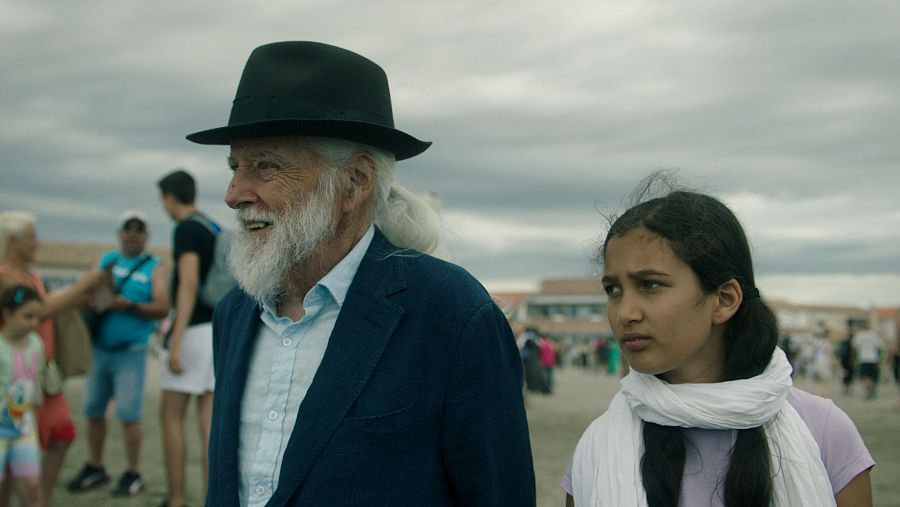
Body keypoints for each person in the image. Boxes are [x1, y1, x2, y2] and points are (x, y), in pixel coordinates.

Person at [186, 41, 535, 506]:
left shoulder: (452, 313)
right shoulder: (235, 312)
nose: (233, 194)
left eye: (264, 166)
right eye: (235, 167)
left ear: (354, 182)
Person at [563, 177, 873, 507]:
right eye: (613, 290)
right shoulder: (597, 448)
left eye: (651, 284)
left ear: (724, 300)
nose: (624, 312)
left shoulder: (823, 430)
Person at [0, 210, 108, 505]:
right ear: (12, 241)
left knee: (61, 433)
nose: (37, 244)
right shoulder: (5, 277)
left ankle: (39, 498)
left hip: (43, 372)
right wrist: (86, 283)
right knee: (17, 446)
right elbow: (41, 310)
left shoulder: (32, 276)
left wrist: (80, 295)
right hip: (15, 377)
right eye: (32, 238)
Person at [65, 210, 169, 497]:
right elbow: (82, 294)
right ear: (120, 233)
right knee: (93, 411)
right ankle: (95, 465)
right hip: (99, 350)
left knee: (128, 414)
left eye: (140, 229)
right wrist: (101, 296)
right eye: (128, 228)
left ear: (146, 236)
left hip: (130, 353)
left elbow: (162, 306)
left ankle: (133, 472)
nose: (133, 233)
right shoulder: (105, 262)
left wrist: (130, 306)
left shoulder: (155, 267)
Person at [156, 170, 218, 507]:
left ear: (169, 197)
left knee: (171, 416)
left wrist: (175, 340)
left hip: (192, 331)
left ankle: (177, 498)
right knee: (208, 422)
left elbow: (189, 282)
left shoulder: (186, 229)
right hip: (215, 332)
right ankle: (213, 497)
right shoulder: (211, 226)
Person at [0, 286, 47, 507]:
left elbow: (36, 385)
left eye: (37, 317)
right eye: (27, 316)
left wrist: (36, 421)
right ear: (7, 314)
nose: (34, 323)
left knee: (31, 484)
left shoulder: (36, 344)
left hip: (24, 425)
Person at [851, 321, 884, 400]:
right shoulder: (874, 335)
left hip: (863, 359)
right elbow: (881, 347)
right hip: (874, 359)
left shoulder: (859, 335)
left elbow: (854, 348)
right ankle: (871, 390)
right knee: (872, 376)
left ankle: (868, 391)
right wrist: (880, 360)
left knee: (864, 376)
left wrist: (854, 359)